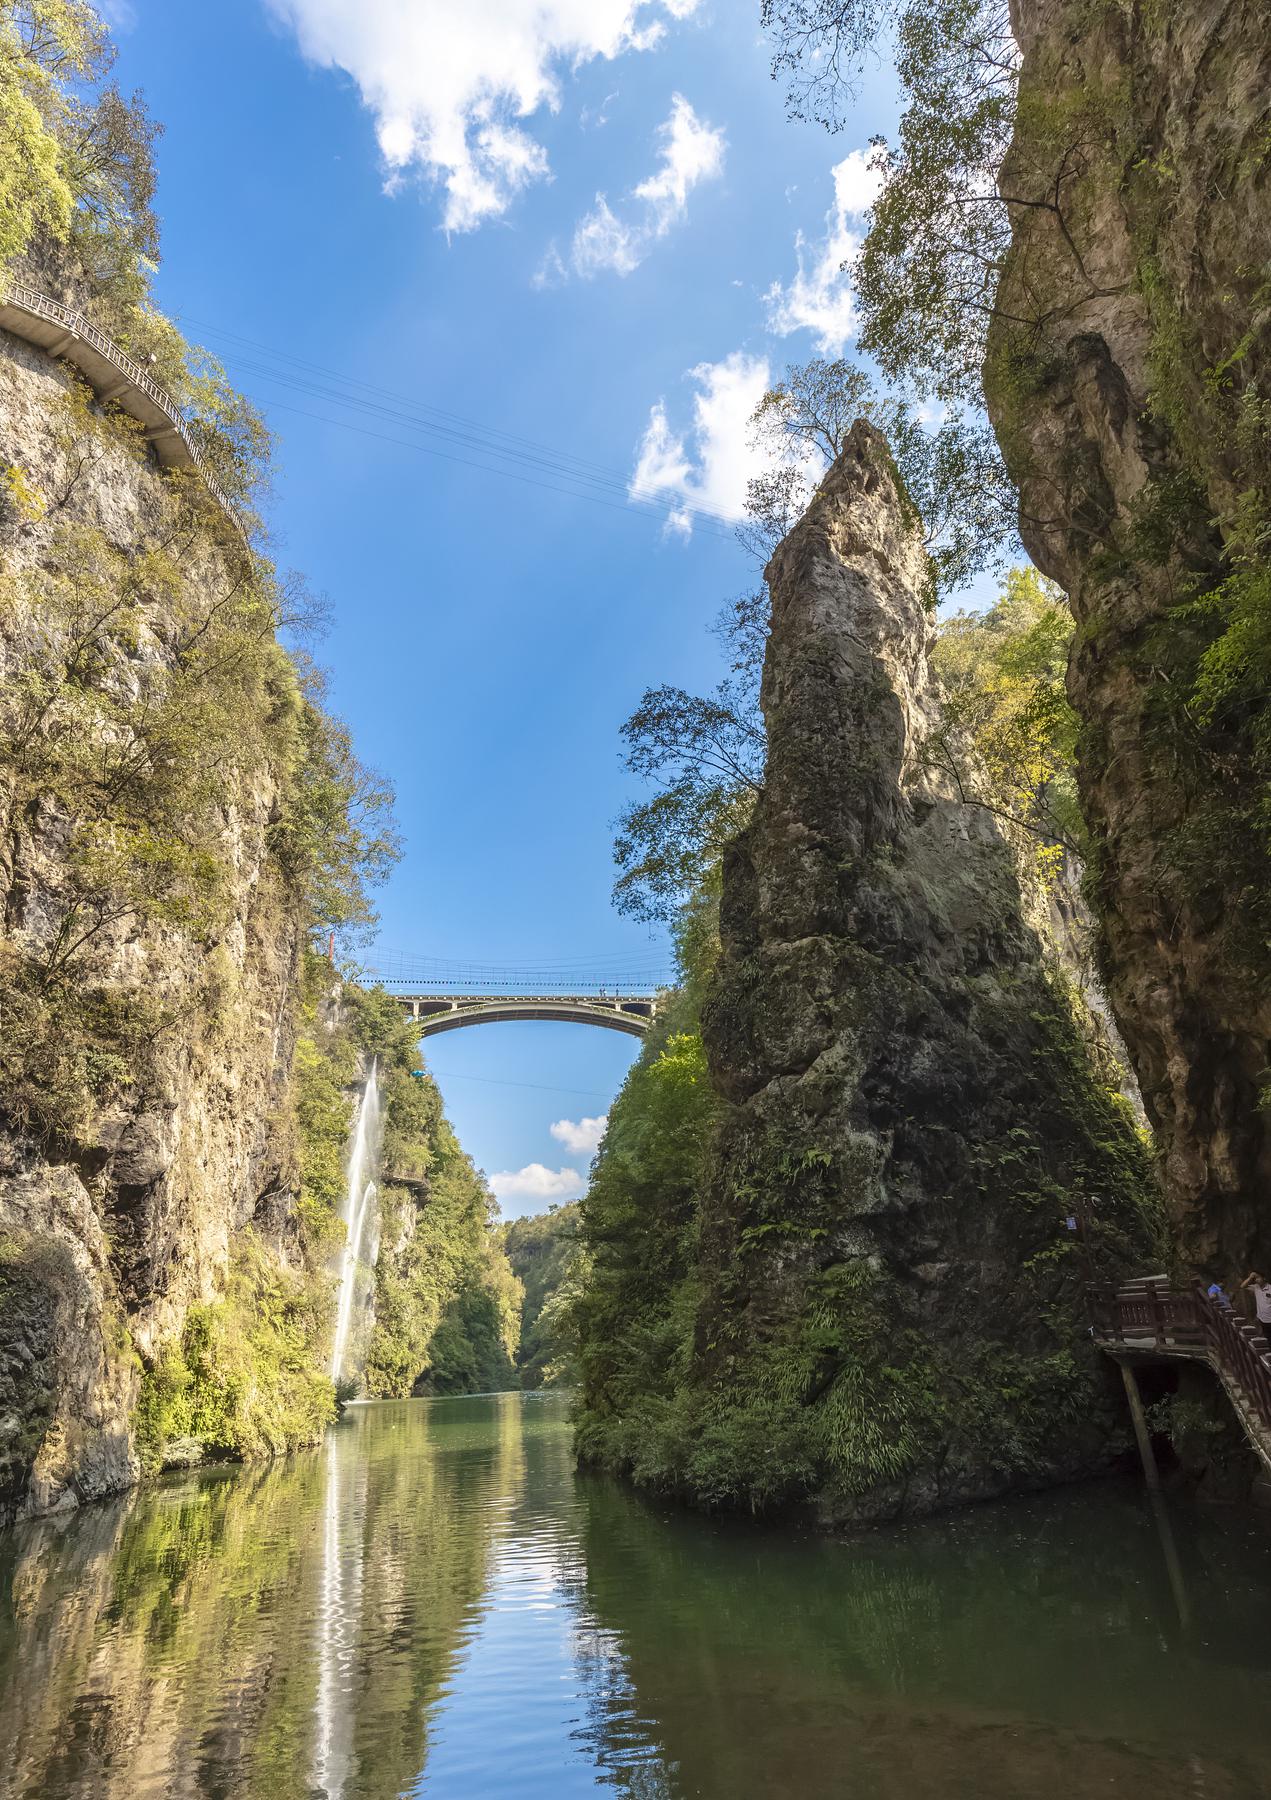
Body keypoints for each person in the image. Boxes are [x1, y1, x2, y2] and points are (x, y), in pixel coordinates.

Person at [1239, 1271, 1271, 1350]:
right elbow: (1242, 1286)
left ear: (1264, 1278)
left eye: (1258, 1277)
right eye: (1255, 1278)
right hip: (1262, 1319)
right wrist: (1250, 1277)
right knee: (1268, 1339)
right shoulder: (1256, 1288)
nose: (1256, 1280)